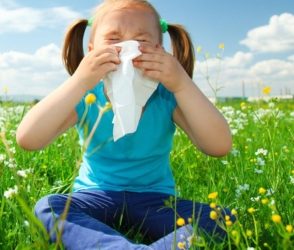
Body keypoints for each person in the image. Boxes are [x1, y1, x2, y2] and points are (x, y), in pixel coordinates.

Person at [16, 0, 234, 249]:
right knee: (49, 207)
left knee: (223, 218)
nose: (127, 47)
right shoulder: (88, 96)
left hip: (157, 201)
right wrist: (80, 80)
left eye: (141, 39)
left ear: (159, 49)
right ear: (91, 50)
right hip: (96, 197)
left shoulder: (166, 95)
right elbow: (28, 139)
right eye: (112, 39)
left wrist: (181, 83)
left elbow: (219, 146)